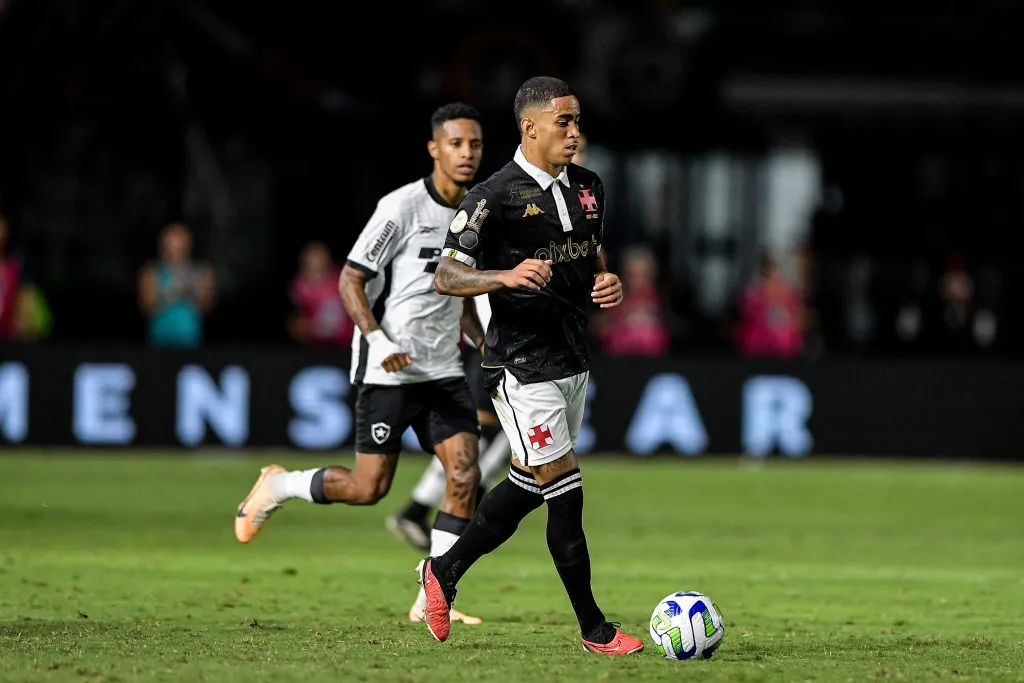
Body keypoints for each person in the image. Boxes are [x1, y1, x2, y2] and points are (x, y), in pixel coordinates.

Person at [234, 102, 487, 626]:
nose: (467, 153)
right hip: (388, 368)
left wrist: (484, 343)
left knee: (464, 473)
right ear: (434, 149)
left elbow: (459, 291)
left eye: (475, 144)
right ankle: (279, 485)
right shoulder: (401, 207)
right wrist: (377, 339)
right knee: (368, 488)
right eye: (456, 144)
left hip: (442, 369)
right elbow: (350, 279)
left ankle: (434, 595)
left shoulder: (477, 213)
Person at [417, 76, 644, 656]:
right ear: (530, 128)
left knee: (525, 484)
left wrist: (606, 281)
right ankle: (594, 629)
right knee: (565, 489)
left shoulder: (589, 186)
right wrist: (504, 276)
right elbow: (446, 275)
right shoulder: (492, 197)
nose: (574, 132)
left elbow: (589, 254)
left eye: (577, 121)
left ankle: (442, 571)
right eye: (563, 122)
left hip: (571, 358)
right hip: (520, 366)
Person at [385, 289, 513, 560]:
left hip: (499, 350)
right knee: (481, 436)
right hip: (494, 351)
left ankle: (428, 513)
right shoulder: (494, 270)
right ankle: (426, 513)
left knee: (497, 439)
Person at [138, 222, 215, 348]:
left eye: (180, 246)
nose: (175, 252)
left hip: (191, 342)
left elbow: (207, 305)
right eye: (171, 246)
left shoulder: (201, 271)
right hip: (158, 342)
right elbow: (146, 306)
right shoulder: (151, 272)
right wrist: (171, 292)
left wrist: (193, 290)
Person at [288, 241, 354, 349]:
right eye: (312, 265)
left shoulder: (342, 280)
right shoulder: (298, 288)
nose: (317, 268)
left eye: (320, 265)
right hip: (314, 348)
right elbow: (297, 325)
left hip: (345, 345)